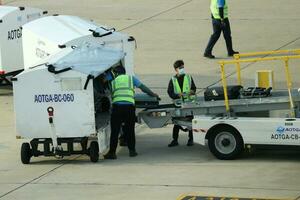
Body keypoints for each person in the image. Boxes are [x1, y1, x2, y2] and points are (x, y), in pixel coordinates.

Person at [104, 66, 159, 159]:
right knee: (130, 130)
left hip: (117, 107)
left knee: (115, 130)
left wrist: (108, 76)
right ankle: (132, 151)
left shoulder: (113, 81)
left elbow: (104, 84)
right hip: (129, 107)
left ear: (116, 73)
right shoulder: (131, 78)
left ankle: (112, 153)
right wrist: (153, 94)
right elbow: (143, 87)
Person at [167, 60, 196, 147]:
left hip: (189, 103)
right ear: (176, 69)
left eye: (183, 67)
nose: (182, 69)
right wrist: (177, 95)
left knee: (190, 123)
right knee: (176, 123)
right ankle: (175, 140)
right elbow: (170, 92)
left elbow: (194, 88)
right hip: (178, 104)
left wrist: (192, 91)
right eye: (180, 68)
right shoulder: (173, 80)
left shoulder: (188, 77)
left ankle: (191, 139)